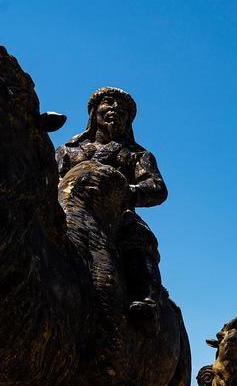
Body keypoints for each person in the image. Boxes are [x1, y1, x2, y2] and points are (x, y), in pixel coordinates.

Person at [56, 87, 167, 326]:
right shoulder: (68, 150)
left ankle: (146, 301)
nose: (115, 110)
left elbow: (157, 187)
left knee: (139, 238)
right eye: (108, 103)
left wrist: (129, 192)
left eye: (123, 110)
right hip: (67, 211)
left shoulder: (137, 154)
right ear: (94, 111)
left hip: (117, 215)